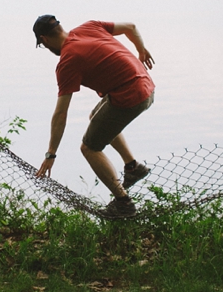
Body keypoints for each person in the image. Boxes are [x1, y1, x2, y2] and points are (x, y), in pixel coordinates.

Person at [32, 15, 155, 218]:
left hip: (131, 96)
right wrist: (141, 51)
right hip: (146, 86)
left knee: (89, 148)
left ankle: (123, 203)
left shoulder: (67, 61)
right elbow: (131, 27)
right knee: (95, 117)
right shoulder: (89, 27)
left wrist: (51, 153)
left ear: (44, 39)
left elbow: (61, 113)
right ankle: (132, 167)